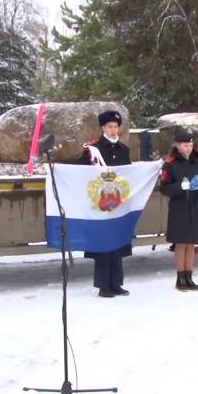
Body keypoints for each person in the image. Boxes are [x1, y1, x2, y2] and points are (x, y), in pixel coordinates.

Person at [77, 110, 133, 298]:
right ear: (102, 128)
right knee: (103, 244)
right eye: (109, 126)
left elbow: (128, 174)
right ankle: (103, 285)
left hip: (118, 202)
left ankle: (116, 283)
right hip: (99, 204)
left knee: (117, 243)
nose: (113, 130)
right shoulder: (93, 150)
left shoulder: (124, 149)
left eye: (116, 126)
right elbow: (81, 172)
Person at [159, 131, 198, 291]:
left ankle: (189, 276)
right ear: (178, 146)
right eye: (185, 146)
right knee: (181, 243)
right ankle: (180, 277)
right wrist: (180, 186)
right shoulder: (171, 163)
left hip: (195, 206)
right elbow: (164, 188)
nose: (188, 149)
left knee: (191, 243)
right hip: (179, 207)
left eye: (191, 145)